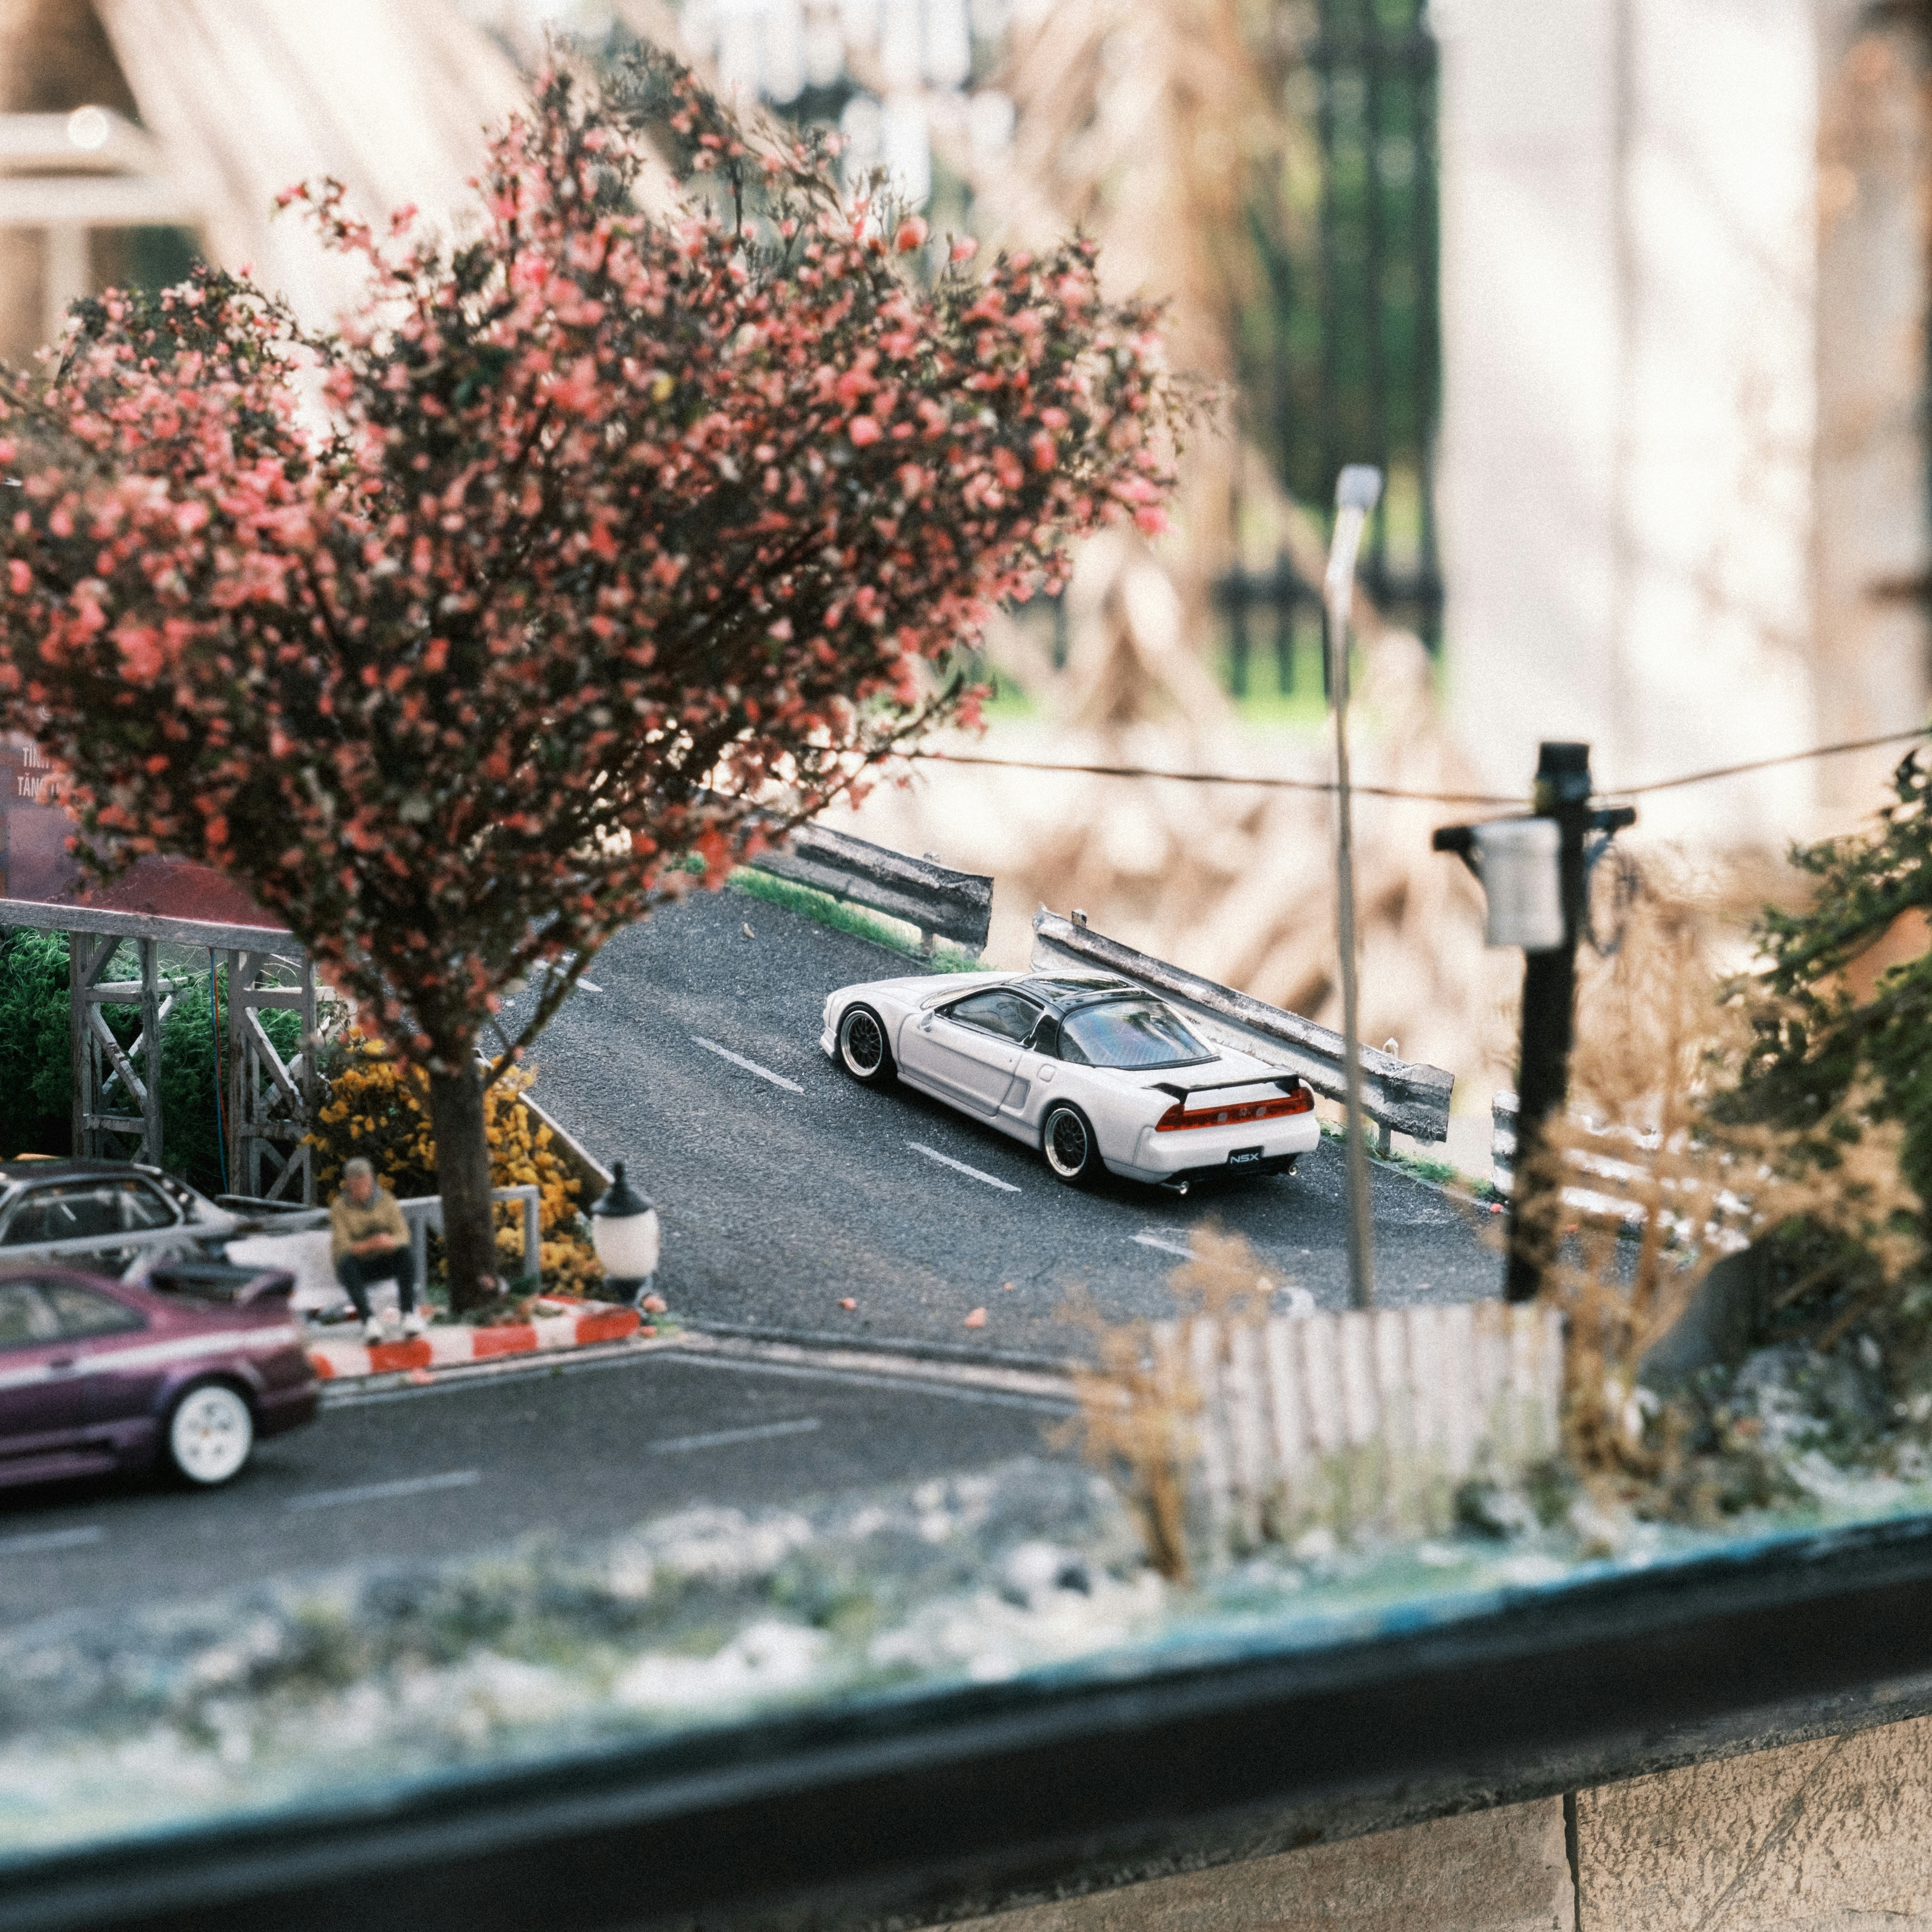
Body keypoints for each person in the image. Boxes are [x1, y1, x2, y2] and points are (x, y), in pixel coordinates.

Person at [330, 1157, 424, 1343]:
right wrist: (369, 1245)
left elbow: (403, 1235)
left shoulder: (387, 1201)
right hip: (359, 1267)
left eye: (365, 1184)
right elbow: (342, 1246)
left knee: (406, 1254)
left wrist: (390, 1241)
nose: (361, 1190)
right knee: (346, 1264)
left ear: (371, 1181)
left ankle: (409, 1315)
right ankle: (369, 1322)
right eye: (356, 1186)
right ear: (348, 1185)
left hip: (384, 1260)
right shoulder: (339, 1208)